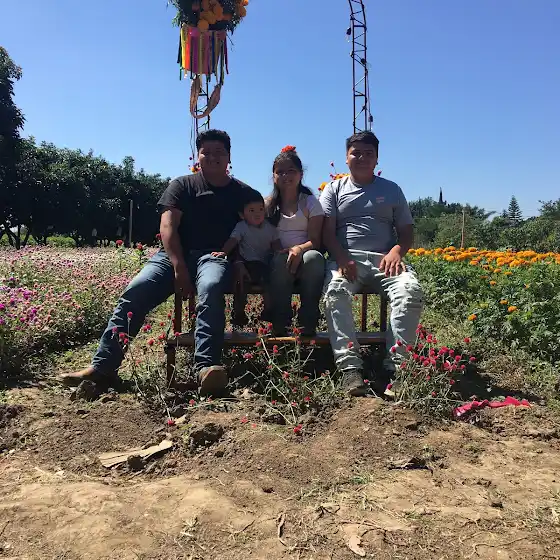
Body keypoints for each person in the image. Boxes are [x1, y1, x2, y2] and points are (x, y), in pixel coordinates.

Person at [59, 129, 251, 395]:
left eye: (219, 152)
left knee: (210, 288)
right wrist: (178, 265)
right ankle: (103, 368)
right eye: (206, 152)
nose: (213, 157)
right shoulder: (182, 185)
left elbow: (254, 228)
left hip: (214, 256)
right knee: (136, 291)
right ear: (198, 156)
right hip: (171, 256)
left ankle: (206, 368)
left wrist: (240, 261)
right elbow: (168, 226)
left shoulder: (242, 193)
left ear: (229, 156)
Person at [320, 131, 423, 396]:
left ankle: (397, 370)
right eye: (356, 153)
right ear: (346, 158)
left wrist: (397, 251)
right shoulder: (334, 189)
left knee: (409, 291)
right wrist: (342, 257)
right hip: (347, 259)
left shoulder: (392, 190)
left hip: (385, 261)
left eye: (369, 153)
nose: (362, 158)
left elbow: (406, 232)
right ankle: (350, 369)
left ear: (377, 159)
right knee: (335, 293)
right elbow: (326, 233)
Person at [265, 146, 325, 336]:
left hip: (306, 253)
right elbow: (264, 235)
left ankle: (308, 321)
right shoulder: (267, 204)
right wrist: (281, 250)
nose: (285, 176)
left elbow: (316, 240)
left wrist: (298, 249)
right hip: (278, 256)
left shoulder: (310, 202)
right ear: (274, 176)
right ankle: (280, 324)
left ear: (300, 174)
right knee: (280, 261)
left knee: (314, 259)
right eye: (280, 172)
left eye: (291, 170)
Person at [212, 188, 281, 326]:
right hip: (246, 263)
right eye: (252, 210)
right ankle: (238, 313)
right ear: (242, 215)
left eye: (261, 209)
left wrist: (281, 252)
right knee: (240, 284)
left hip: (264, 264)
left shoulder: (270, 228)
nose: (257, 214)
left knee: (269, 283)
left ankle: (269, 310)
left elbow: (276, 245)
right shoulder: (241, 226)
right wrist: (224, 252)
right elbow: (233, 240)